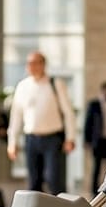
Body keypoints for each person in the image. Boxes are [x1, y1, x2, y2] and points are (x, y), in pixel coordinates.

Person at [7, 51, 77, 194]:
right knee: (34, 182)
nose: (31, 66)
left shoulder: (55, 84)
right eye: (29, 63)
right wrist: (12, 142)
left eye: (35, 63)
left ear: (43, 64)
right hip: (31, 139)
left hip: (53, 139)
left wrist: (70, 138)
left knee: (54, 179)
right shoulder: (22, 86)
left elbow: (68, 113)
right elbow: (16, 116)